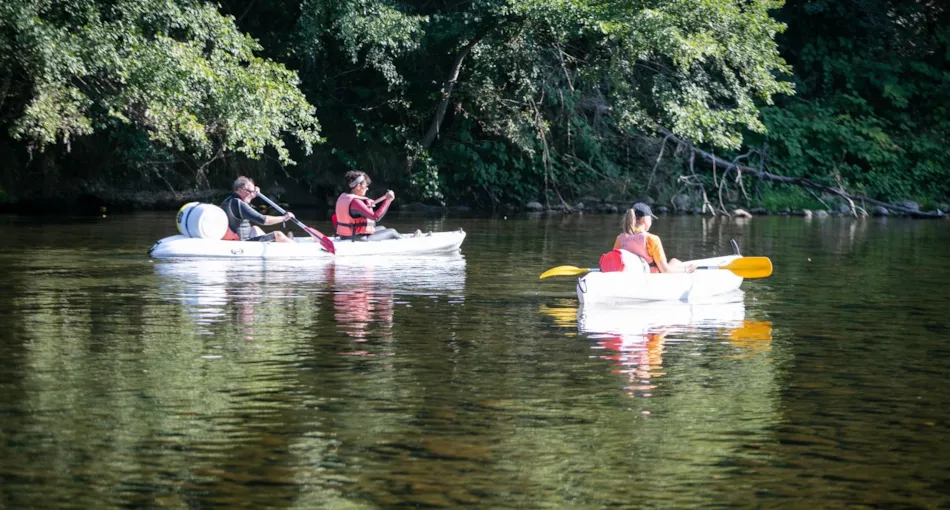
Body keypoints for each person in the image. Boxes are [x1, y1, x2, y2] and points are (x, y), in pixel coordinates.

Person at [612, 202, 694, 273]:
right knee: (675, 261)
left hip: (632, 275)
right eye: (650, 218)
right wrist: (686, 270)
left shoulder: (620, 239)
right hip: (651, 277)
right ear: (645, 220)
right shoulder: (652, 239)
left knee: (674, 261)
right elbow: (665, 270)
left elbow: (615, 263)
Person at [334, 170, 406, 241]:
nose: (367, 188)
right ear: (358, 186)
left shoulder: (344, 197)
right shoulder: (355, 202)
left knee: (382, 228)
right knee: (392, 232)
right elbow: (376, 217)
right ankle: (407, 241)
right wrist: (388, 200)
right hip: (357, 237)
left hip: (345, 236)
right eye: (365, 186)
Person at [221, 176, 295, 243]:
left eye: (253, 191)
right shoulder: (238, 204)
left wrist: (252, 193)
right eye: (250, 191)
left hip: (240, 238)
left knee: (255, 229)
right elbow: (263, 220)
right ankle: (294, 246)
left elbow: (246, 205)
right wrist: (284, 218)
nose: (252, 194)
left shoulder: (228, 200)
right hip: (243, 243)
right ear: (240, 190)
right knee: (278, 235)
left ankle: (277, 243)